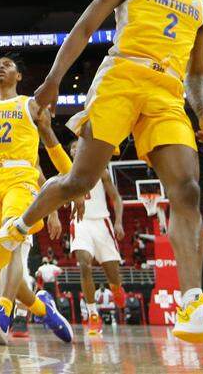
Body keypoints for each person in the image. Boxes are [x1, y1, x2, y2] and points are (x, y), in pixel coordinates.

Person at [0, 0, 203, 344]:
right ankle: (18, 227)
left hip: (167, 92)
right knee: (80, 181)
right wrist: (54, 80)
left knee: (187, 191)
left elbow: (197, 71)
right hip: (121, 77)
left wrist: (201, 112)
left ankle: (193, 303)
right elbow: (83, 29)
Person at [0, 56, 72, 346]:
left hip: (21, 178)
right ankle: (42, 309)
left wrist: (67, 187)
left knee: (12, 234)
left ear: (19, 76)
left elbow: (48, 142)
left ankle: (4, 310)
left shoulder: (29, 104)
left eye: (7, 64)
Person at [67, 139, 127, 336]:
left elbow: (117, 198)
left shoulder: (100, 170)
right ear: (70, 153)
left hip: (102, 221)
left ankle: (116, 288)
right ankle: (92, 314)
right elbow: (60, 199)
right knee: (84, 264)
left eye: (78, 145)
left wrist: (118, 221)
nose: (75, 148)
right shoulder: (66, 173)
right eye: (72, 147)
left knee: (112, 273)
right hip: (80, 222)